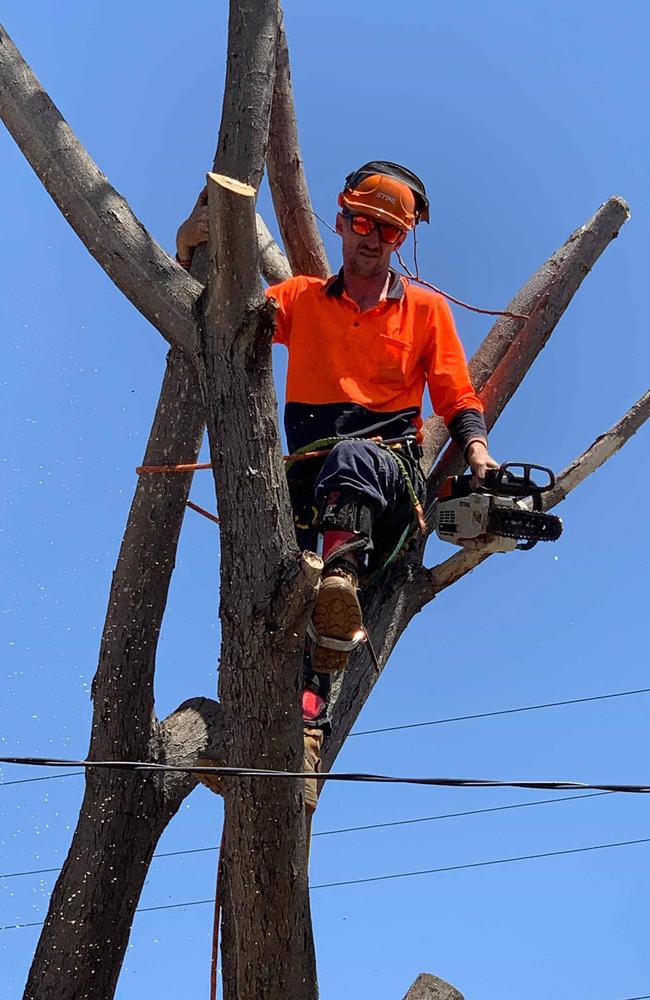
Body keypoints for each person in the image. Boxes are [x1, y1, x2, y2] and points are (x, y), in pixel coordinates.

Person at [177, 161, 499, 814]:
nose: (370, 237)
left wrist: (478, 450)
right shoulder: (300, 301)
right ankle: (293, 735)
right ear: (342, 219)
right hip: (307, 488)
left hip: (386, 481)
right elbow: (227, 317)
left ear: (401, 238)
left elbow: (457, 392)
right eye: (360, 223)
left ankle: (338, 583)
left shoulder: (426, 314)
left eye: (386, 229)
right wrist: (192, 246)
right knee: (272, 610)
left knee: (353, 460)